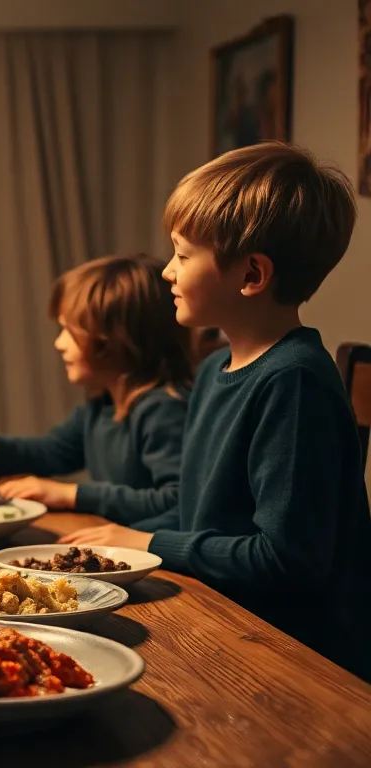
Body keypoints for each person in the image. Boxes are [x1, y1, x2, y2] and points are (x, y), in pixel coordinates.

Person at [63, 142, 369, 680]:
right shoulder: (213, 368)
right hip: (228, 614)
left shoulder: (293, 382)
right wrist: (111, 537)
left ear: (251, 274)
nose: (167, 273)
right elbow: (199, 513)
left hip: (299, 656)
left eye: (182, 255)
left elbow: (286, 562)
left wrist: (148, 542)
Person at [0, 254, 191, 525]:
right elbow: (53, 452)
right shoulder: (103, 406)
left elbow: (176, 501)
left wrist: (72, 494)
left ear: (115, 341)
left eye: (69, 331)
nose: (59, 344)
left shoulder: (163, 408)